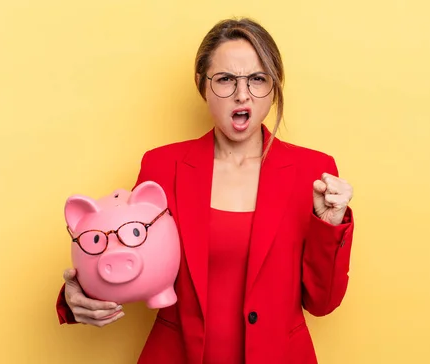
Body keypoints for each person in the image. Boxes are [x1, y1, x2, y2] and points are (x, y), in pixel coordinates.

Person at [56, 17, 355, 364]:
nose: (242, 94)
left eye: (257, 79)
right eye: (226, 79)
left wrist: (330, 223)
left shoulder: (311, 173)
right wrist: (77, 295)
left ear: (274, 87)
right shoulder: (162, 167)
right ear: (202, 85)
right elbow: (125, 262)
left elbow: (323, 302)